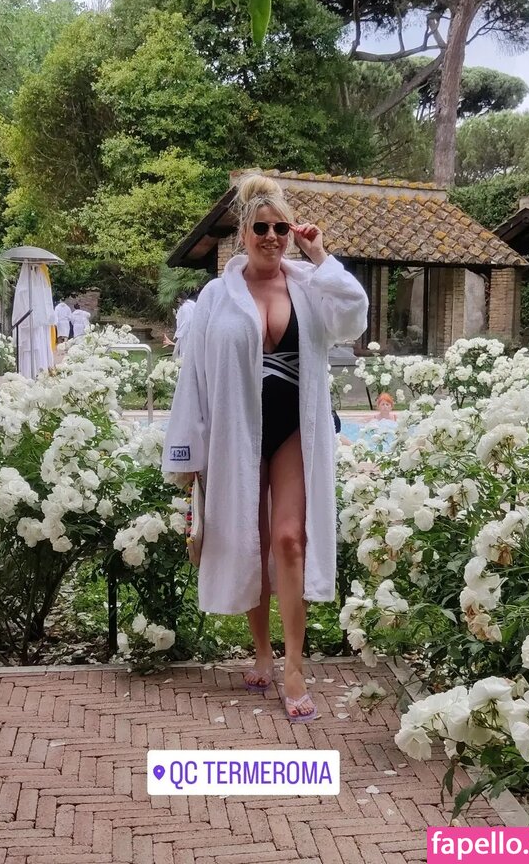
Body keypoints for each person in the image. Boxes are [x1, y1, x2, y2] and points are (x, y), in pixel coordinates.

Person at [162, 174, 368, 722]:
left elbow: (354, 316)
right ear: (243, 234)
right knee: (250, 539)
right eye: (261, 228)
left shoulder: (311, 286)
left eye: (281, 227)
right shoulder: (216, 297)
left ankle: (295, 665)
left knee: (289, 539)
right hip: (237, 432)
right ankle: (262, 653)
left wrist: (320, 256)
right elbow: (194, 377)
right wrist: (188, 454)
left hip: (294, 427)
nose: (272, 237)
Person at [163, 294, 196, 358]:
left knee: (185, 352)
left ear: (180, 299)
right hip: (189, 331)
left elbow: (186, 321)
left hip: (186, 333)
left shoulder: (185, 307)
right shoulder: (191, 304)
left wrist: (179, 333)